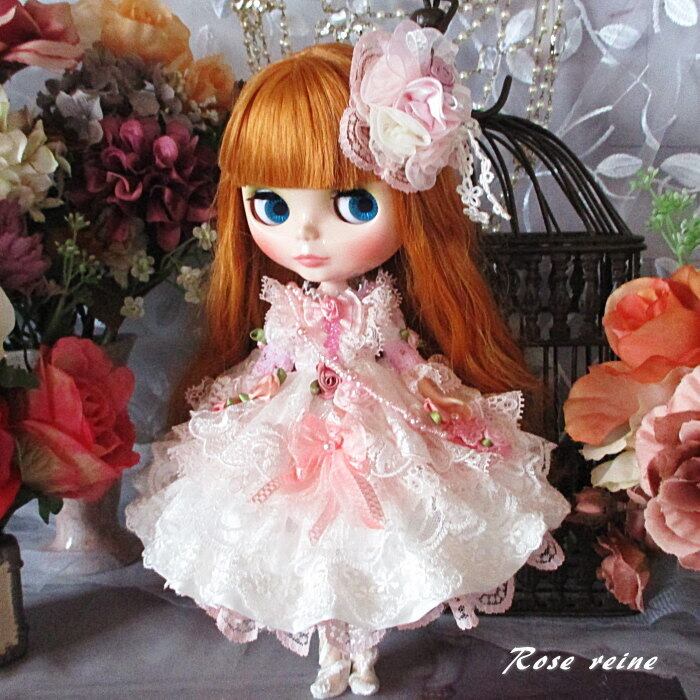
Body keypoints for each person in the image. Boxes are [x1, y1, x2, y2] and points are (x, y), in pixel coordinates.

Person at [126, 21, 570, 699]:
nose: (306, 233)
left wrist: (438, 403)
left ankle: (363, 654)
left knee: (377, 536)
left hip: (377, 426)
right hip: (293, 430)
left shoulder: (379, 304)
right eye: (271, 205)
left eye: (354, 204)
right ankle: (332, 655)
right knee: (306, 542)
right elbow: (272, 363)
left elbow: (400, 354)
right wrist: (238, 402)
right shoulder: (282, 302)